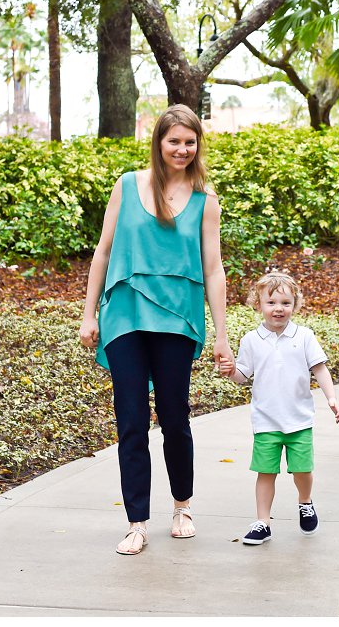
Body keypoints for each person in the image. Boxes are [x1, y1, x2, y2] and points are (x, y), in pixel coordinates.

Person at [79, 104, 231, 556]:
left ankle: (182, 506)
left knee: (174, 416)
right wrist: (89, 314)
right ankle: (136, 521)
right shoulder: (127, 186)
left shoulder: (205, 202)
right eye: (173, 141)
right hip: (124, 314)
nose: (182, 149)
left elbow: (214, 269)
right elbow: (103, 253)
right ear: (158, 143)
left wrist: (222, 334)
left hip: (177, 319)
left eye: (190, 141)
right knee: (130, 419)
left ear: (197, 145)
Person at [220, 271, 339, 545]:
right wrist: (230, 371)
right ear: (259, 305)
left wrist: (331, 397)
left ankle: (305, 501)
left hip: (299, 419)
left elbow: (319, 368)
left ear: (295, 305)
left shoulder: (305, 336)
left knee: (302, 471)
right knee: (266, 472)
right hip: (266, 420)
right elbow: (243, 375)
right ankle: (263, 522)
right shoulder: (252, 340)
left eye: (286, 303)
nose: (278, 309)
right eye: (272, 302)